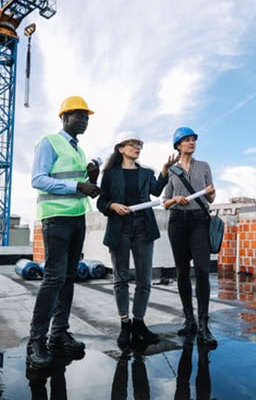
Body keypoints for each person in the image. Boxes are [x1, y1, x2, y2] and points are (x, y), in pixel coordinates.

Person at [28, 95, 101, 369]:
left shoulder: (79, 151)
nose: (84, 121)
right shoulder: (49, 142)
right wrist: (77, 187)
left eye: (87, 117)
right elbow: (38, 179)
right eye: (79, 115)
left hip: (77, 218)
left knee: (69, 277)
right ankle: (36, 340)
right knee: (54, 278)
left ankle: (58, 334)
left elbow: (82, 184)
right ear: (64, 117)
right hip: (56, 218)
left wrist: (92, 178)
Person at [97, 131, 178, 348]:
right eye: (132, 144)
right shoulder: (110, 174)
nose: (137, 147)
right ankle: (125, 324)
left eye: (139, 144)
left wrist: (164, 172)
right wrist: (113, 206)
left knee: (144, 280)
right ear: (121, 148)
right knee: (121, 278)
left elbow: (155, 191)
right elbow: (101, 202)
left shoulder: (146, 173)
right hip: (119, 229)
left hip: (143, 227)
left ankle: (139, 323)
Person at [162, 127, 218, 348]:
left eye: (193, 139)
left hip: (199, 221)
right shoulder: (172, 171)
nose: (191, 142)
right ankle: (189, 320)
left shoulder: (204, 167)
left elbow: (211, 198)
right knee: (182, 272)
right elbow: (164, 202)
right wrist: (176, 198)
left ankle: (204, 323)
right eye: (187, 140)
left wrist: (211, 193)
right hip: (177, 221)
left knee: (203, 270)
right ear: (178, 145)